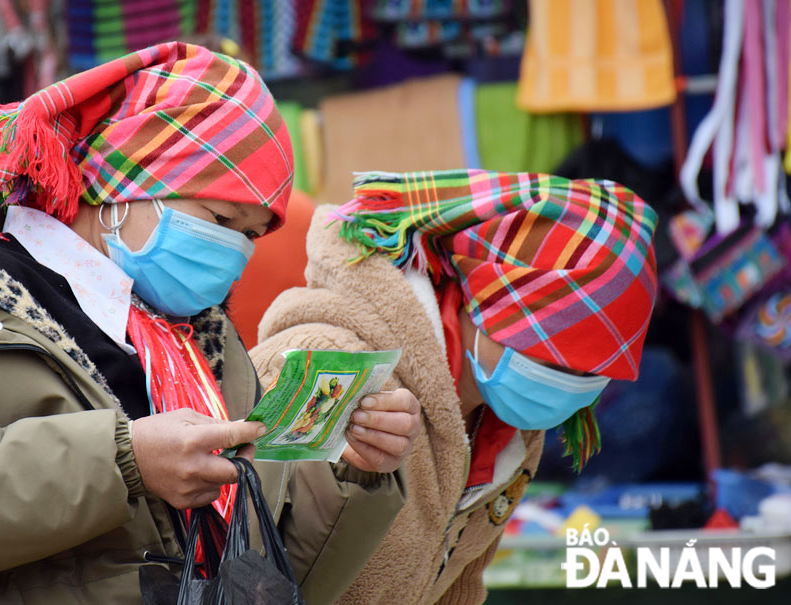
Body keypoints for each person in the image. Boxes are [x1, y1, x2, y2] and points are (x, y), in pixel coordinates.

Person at [0, 43, 421, 603]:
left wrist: (355, 474)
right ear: (128, 187)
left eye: (252, 235)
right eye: (220, 219)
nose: (236, 253)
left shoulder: (199, 344)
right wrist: (123, 461)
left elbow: (263, 573)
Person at [251, 169, 659, 604]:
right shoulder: (335, 366)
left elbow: (460, 584)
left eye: (591, 373)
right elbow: (230, 531)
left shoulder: (508, 432)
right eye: (548, 357)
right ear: (480, 301)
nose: (564, 384)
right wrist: (353, 473)